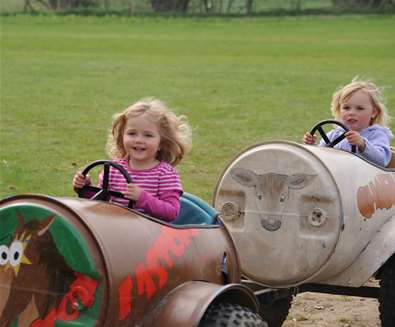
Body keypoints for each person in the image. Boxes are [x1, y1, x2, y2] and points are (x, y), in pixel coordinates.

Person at [73, 97, 192, 222]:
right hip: (114, 228)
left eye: (148, 135)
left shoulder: (165, 174)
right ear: (122, 136)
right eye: (132, 133)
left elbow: (171, 212)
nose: (138, 140)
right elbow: (101, 202)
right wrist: (85, 188)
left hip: (150, 235)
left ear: (161, 143)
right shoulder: (114, 169)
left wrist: (142, 198)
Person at [303, 78, 393, 167]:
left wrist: (363, 145)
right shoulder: (335, 134)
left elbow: (382, 161)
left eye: (359, 108)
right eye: (346, 108)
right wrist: (312, 146)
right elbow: (322, 157)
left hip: (365, 179)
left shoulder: (377, 135)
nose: (352, 113)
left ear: (374, 112)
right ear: (339, 110)